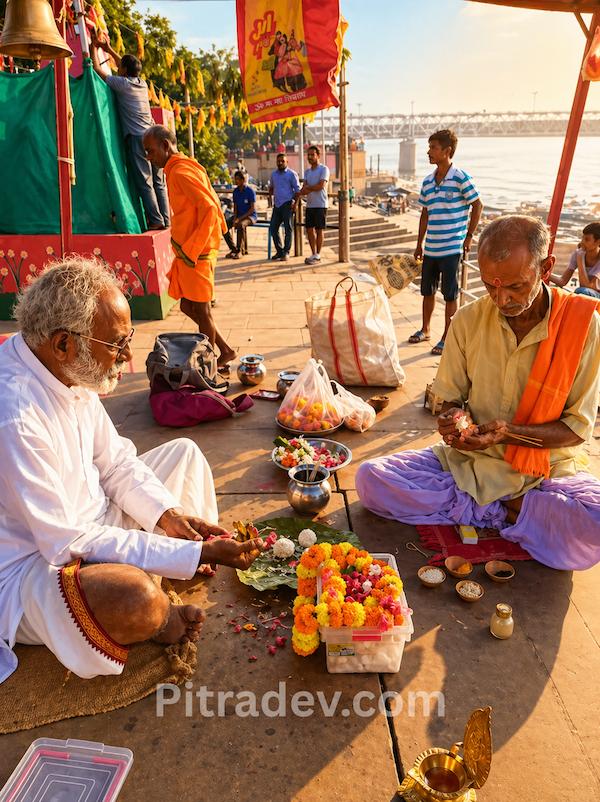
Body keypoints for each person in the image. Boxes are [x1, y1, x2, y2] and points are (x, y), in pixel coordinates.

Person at [0, 259, 266, 684]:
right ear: (64, 343)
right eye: (116, 344)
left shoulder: (58, 362)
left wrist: (166, 517)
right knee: (134, 596)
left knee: (184, 455)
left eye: (128, 339)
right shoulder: (14, 416)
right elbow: (65, 542)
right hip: (36, 566)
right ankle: (160, 615)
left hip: (94, 520)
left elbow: (116, 462)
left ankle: (162, 557)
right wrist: (193, 553)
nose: (127, 357)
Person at [357, 215, 600, 571]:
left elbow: (577, 430)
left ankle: (489, 505)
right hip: (472, 465)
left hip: (545, 471)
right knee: (370, 479)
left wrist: (510, 433)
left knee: (594, 523)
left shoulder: (584, 326)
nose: (502, 299)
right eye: (490, 286)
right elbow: (451, 400)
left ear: (546, 267)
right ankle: (510, 510)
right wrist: (455, 419)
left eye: (515, 287)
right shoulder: (468, 320)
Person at [142, 125, 236, 373]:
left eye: (150, 151)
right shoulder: (180, 169)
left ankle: (211, 364)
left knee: (203, 311)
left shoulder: (181, 172)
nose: (148, 157)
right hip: (188, 251)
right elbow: (212, 199)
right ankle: (225, 351)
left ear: (165, 145)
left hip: (196, 253)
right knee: (187, 306)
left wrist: (193, 249)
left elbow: (209, 208)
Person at [410, 129, 483, 356]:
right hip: (431, 247)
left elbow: (478, 205)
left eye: (433, 147)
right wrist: (419, 243)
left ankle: (447, 336)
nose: (429, 152)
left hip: (452, 247)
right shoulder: (427, 182)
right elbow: (425, 214)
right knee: (427, 292)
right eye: (429, 147)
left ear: (446, 151)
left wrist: (469, 236)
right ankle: (425, 329)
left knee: (450, 294)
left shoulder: (461, 177)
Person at [90, 32, 169, 231]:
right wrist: (107, 49)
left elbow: (97, 69)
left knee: (145, 182)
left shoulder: (121, 84)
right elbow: (123, 64)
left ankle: (155, 219)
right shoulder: (141, 84)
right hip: (153, 134)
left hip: (137, 138)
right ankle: (166, 219)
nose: (117, 67)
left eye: (120, 67)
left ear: (124, 70)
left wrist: (93, 47)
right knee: (159, 181)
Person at [551, 222, 600, 298]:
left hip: (596, 296)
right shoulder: (578, 253)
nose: (582, 242)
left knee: (581, 291)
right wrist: (542, 273)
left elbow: (587, 287)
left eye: (587, 239)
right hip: (585, 293)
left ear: (598, 242)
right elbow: (562, 281)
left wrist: (580, 259)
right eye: (582, 238)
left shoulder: (580, 255)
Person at [300, 145, 330, 266]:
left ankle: (318, 254)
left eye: (313, 155)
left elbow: (321, 186)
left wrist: (308, 188)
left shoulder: (324, 169)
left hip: (321, 204)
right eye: (309, 155)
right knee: (309, 229)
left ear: (318, 155)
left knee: (319, 229)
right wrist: (307, 189)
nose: (310, 157)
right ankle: (313, 253)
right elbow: (304, 189)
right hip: (310, 204)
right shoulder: (307, 172)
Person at [268, 152, 300, 262]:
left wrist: (295, 203)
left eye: (282, 161)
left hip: (287, 204)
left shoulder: (292, 174)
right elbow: (271, 187)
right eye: (278, 161)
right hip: (277, 205)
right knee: (273, 228)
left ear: (287, 162)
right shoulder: (274, 174)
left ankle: (286, 252)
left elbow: (297, 191)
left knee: (288, 229)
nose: (280, 163)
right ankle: (280, 251)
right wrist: (270, 198)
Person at [224, 171, 257, 260]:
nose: (236, 181)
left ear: (243, 180)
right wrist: (235, 218)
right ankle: (233, 249)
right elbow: (235, 207)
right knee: (224, 225)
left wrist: (239, 219)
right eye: (235, 179)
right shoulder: (235, 192)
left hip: (250, 216)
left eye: (238, 179)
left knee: (241, 225)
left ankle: (240, 251)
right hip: (239, 216)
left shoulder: (250, 191)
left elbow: (252, 209)